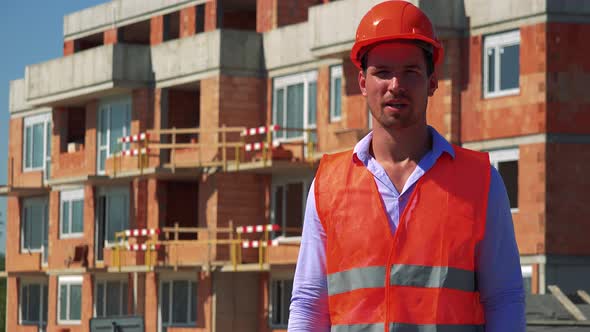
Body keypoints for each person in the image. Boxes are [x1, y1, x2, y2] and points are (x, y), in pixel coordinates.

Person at [288, 1, 525, 331]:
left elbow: (504, 299)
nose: (395, 85)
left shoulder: (482, 183)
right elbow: (310, 301)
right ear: (362, 83)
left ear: (431, 81)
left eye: (410, 72)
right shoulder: (328, 185)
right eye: (382, 72)